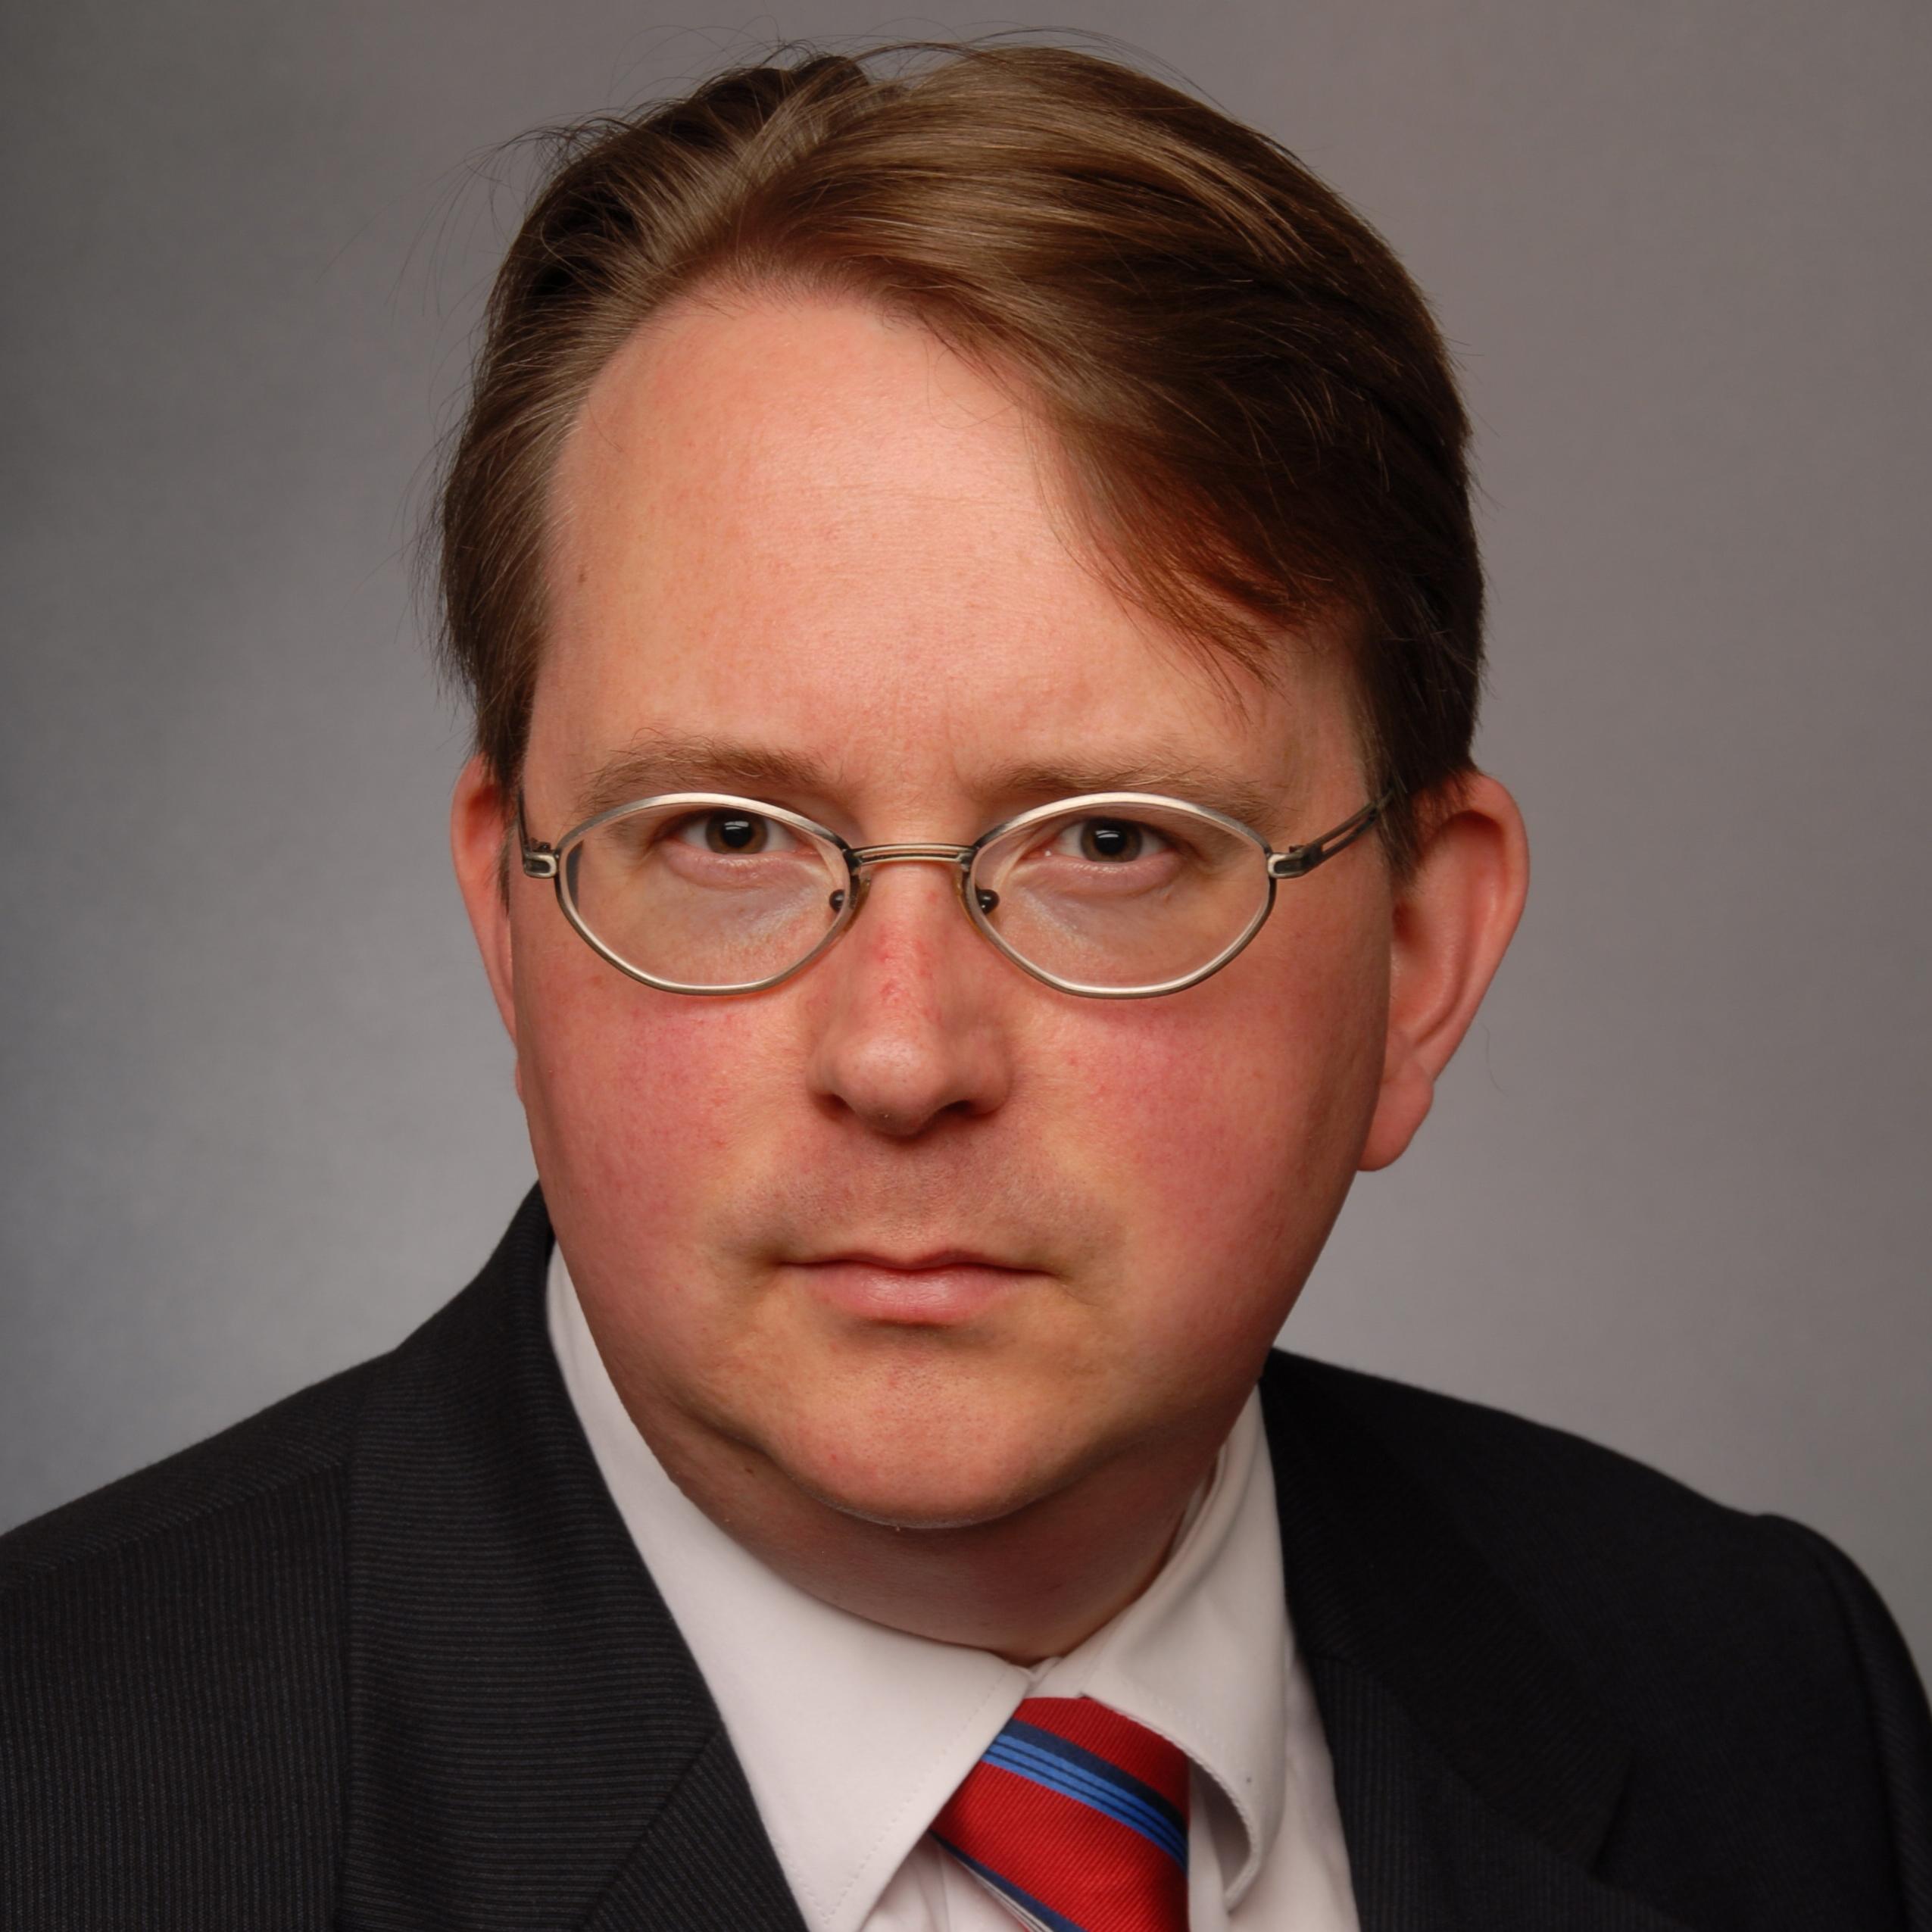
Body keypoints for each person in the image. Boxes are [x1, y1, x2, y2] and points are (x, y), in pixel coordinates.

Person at [2, 39, 1926, 1932]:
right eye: (728, 833)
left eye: (1110, 842)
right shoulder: (55, 1797)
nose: (902, 1052)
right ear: (513, 917)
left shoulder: (1769, 1702)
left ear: (1420, 959)